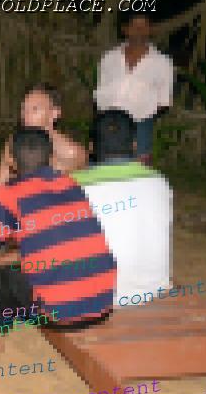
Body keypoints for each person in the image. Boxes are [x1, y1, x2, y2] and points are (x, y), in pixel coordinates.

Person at [0, 127, 116, 326]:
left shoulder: (9, 194)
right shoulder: (72, 185)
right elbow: (54, 245)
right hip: (103, 306)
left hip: (56, 315)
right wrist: (2, 260)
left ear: (11, 161)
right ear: (51, 158)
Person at [72, 109, 172, 304]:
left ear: (91, 147)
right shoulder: (160, 182)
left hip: (98, 298)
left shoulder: (73, 186)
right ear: (134, 144)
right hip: (153, 291)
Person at [94, 12, 174, 166]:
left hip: (141, 123)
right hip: (109, 121)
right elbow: (101, 91)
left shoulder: (162, 62)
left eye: (144, 26)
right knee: (105, 165)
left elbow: (164, 101)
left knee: (138, 168)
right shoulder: (109, 58)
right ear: (125, 29)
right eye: (135, 26)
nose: (140, 31)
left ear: (151, 29)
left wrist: (142, 115)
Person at [0, 83, 87, 189]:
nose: (26, 115)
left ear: (54, 114)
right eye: (24, 109)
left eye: (35, 109)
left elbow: (76, 194)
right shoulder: (14, 144)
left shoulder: (72, 154)